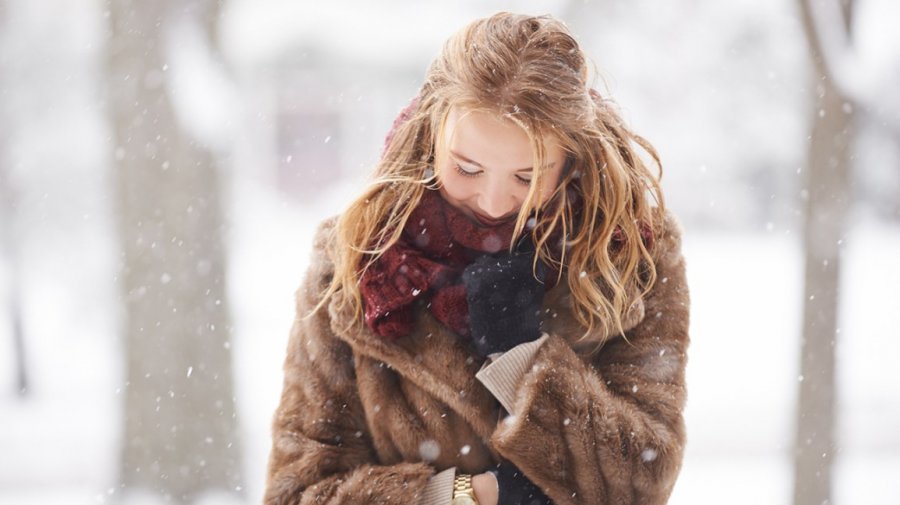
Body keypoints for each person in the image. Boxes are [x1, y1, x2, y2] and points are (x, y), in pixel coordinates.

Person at [264, 11, 690, 505]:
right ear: (430, 136)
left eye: (526, 177)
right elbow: (295, 492)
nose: (493, 202)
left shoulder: (631, 252)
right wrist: (466, 496)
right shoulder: (359, 260)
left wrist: (523, 361)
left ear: (571, 157)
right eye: (467, 168)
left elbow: (645, 477)